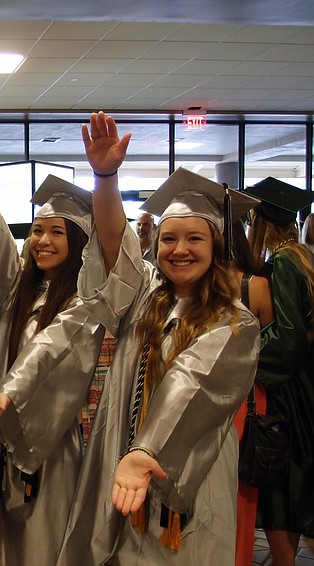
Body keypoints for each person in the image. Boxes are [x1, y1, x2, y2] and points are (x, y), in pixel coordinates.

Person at [51, 112, 260, 564]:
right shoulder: (146, 295)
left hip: (189, 472)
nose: (179, 250)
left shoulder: (234, 322)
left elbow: (192, 382)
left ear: (217, 246)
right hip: (126, 462)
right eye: (168, 239)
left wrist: (146, 450)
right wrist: (105, 178)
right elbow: (114, 244)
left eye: (194, 239)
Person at [0, 136, 106, 565]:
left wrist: (9, 395)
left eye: (56, 232)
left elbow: (50, 349)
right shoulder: (18, 290)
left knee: (39, 536)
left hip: (48, 439)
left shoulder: (83, 302)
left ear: (80, 241)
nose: (42, 240)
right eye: (37, 231)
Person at [242, 177, 314, 566]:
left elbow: (286, 337)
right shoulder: (305, 256)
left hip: (292, 391)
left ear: (260, 223)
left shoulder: (283, 262)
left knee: (282, 488)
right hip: (308, 380)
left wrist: (244, 353)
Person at [225, 216, 275, 566]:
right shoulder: (256, 285)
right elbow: (270, 343)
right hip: (249, 394)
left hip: (234, 398)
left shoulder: (195, 287)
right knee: (242, 495)